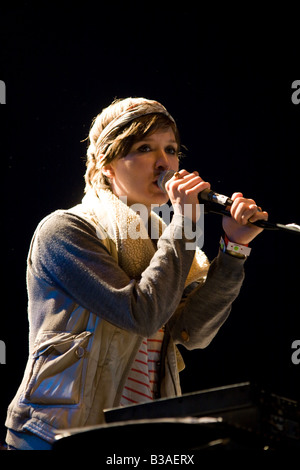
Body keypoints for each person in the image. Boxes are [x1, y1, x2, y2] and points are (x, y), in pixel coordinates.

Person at [5, 97, 268, 450]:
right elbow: (141, 313)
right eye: (145, 148)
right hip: (55, 438)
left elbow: (194, 332)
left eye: (172, 150)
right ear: (107, 165)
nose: (165, 164)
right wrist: (185, 225)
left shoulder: (168, 243)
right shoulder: (65, 230)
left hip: (137, 436)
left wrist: (234, 249)